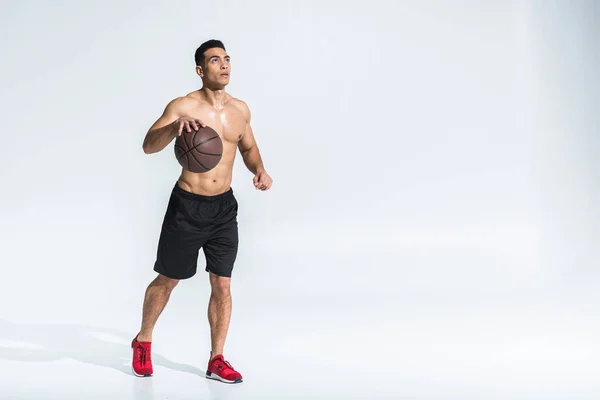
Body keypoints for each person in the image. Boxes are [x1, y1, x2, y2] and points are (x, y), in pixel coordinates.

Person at [131, 39, 273, 384]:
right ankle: (143, 340)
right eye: (214, 60)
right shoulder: (183, 106)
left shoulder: (240, 109)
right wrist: (172, 129)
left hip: (224, 207)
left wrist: (259, 169)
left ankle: (216, 358)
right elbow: (149, 146)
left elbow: (248, 147)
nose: (223, 65)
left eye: (226, 59)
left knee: (222, 284)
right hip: (188, 205)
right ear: (200, 70)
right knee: (169, 279)